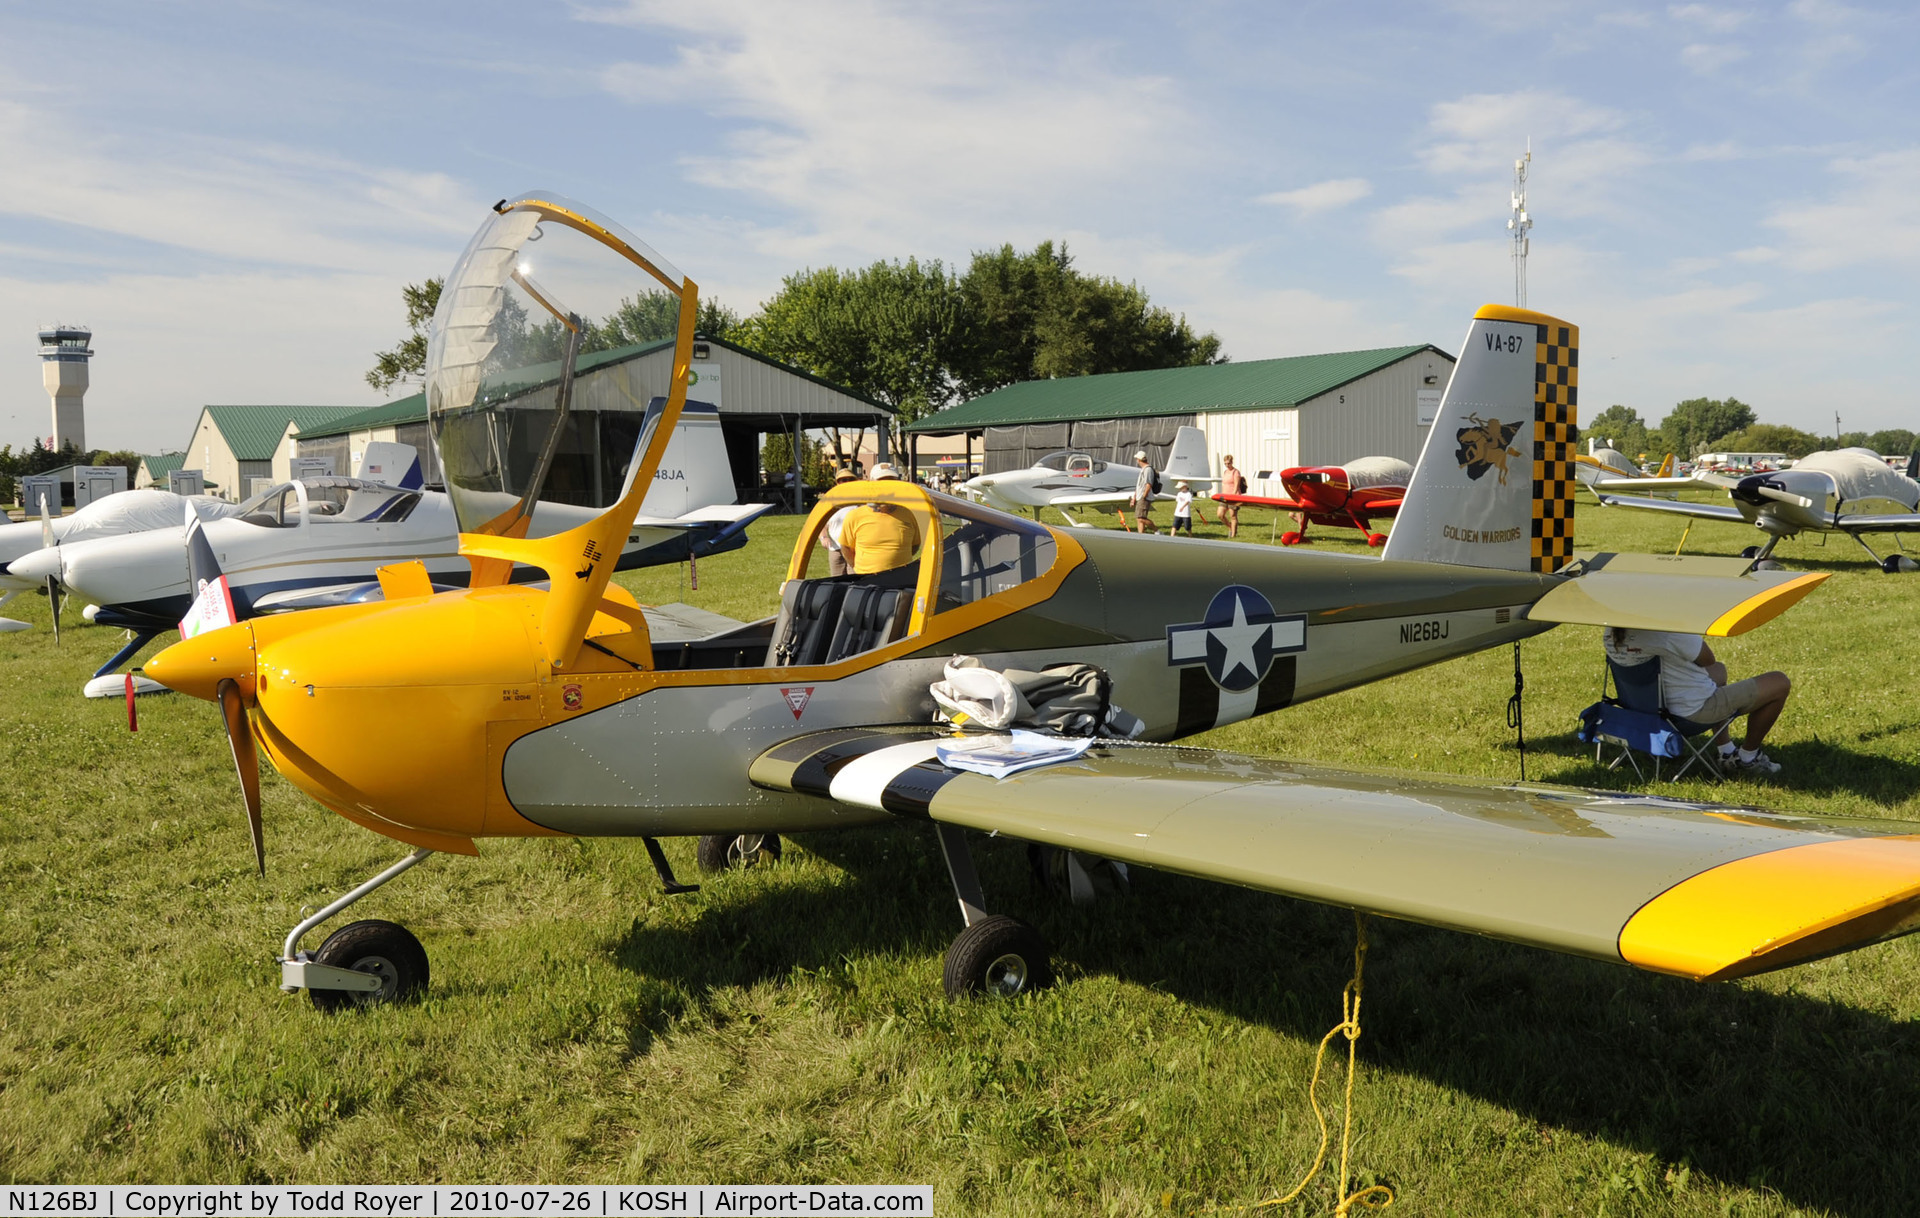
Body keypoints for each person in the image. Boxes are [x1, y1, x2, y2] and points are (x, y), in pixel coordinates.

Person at [1603, 628, 1792, 776]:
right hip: (1690, 715)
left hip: (1645, 713)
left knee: (1719, 671)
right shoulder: (1667, 632)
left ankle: (1726, 750)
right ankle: (1748, 758)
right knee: (1779, 682)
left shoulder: (1610, 632)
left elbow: (1712, 666)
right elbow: (1707, 658)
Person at [839, 463, 922, 575]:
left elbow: (915, 545)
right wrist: (860, 569)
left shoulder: (909, 514)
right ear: (872, 485)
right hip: (867, 582)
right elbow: (846, 548)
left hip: (902, 582)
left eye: (891, 482)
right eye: (882, 483)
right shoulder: (854, 516)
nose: (886, 488)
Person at [822, 467, 861, 576]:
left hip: (854, 548)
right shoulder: (829, 500)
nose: (847, 482)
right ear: (837, 483)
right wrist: (824, 537)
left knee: (855, 579)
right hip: (835, 548)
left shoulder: (861, 500)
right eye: (843, 480)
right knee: (836, 581)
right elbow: (822, 524)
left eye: (850, 479)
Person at [1217, 455, 1246, 538]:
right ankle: (1230, 527)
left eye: (1228, 463)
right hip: (1224, 496)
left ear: (1232, 462)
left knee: (1233, 516)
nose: (1227, 465)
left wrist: (1233, 496)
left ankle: (1233, 535)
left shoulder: (1236, 472)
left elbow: (1236, 485)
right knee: (1220, 514)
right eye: (1225, 463)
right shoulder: (1225, 472)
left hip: (1233, 496)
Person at [1132, 450, 1160, 533]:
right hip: (1140, 496)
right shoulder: (1143, 469)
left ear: (1139, 460)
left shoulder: (1148, 470)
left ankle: (1157, 531)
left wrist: (1144, 496)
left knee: (1141, 518)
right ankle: (1141, 535)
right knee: (1139, 518)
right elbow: (1139, 485)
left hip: (1144, 497)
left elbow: (1148, 484)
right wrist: (1134, 497)